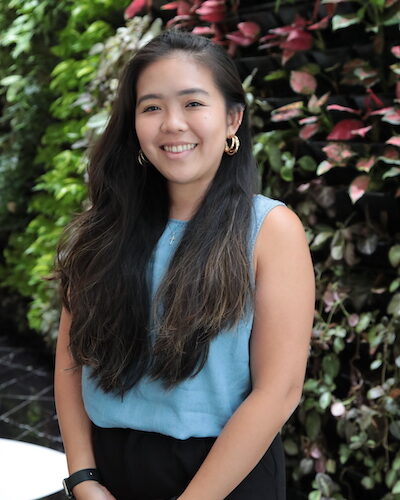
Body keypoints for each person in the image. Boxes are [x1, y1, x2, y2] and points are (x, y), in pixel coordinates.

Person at [54, 30, 315, 500]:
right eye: (152, 107)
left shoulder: (270, 230)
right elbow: (73, 360)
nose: (172, 124)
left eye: (193, 103)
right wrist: (83, 478)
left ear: (232, 118)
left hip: (225, 476)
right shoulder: (105, 228)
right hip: (108, 473)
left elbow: (279, 391)